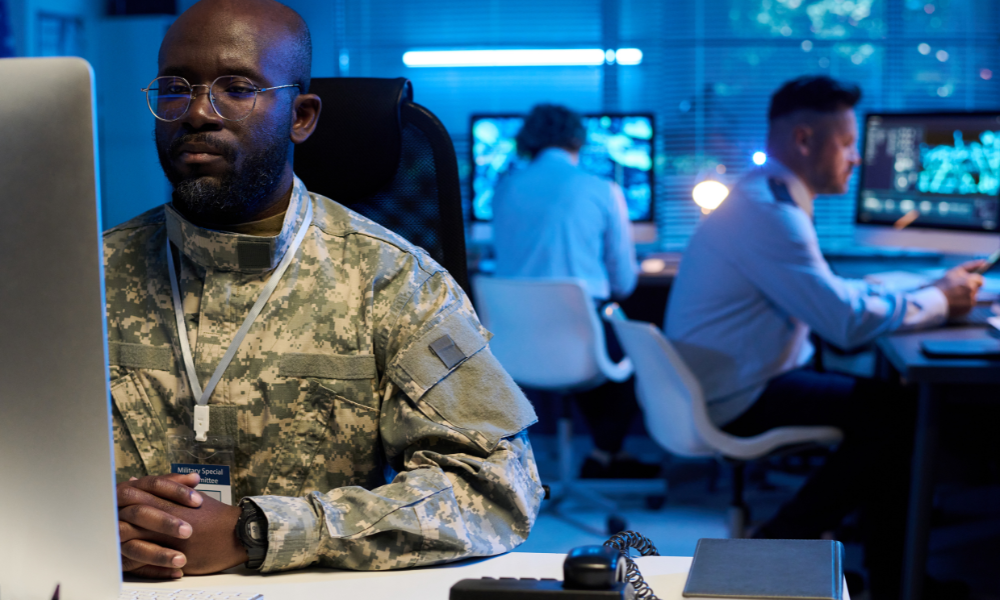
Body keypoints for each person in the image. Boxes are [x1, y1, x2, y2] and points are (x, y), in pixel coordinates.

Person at [106, 0, 543, 579]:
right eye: (175, 88)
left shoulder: (393, 281)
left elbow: (496, 488)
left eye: (237, 88)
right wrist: (88, 520)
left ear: (302, 116)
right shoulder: (88, 276)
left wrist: (256, 532)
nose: (197, 112)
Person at [666, 75, 983, 599]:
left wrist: (926, 288)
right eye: (847, 143)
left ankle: (889, 573)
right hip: (739, 394)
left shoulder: (763, 196)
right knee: (900, 415)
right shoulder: (770, 212)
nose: (856, 158)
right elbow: (843, 323)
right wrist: (940, 300)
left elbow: (826, 293)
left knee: (888, 408)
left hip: (730, 378)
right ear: (804, 140)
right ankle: (782, 548)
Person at [492, 104, 655, 479]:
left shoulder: (503, 190)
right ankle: (605, 453)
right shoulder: (601, 189)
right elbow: (623, 284)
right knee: (635, 346)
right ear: (578, 139)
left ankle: (600, 457)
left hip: (515, 340)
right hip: (578, 338)